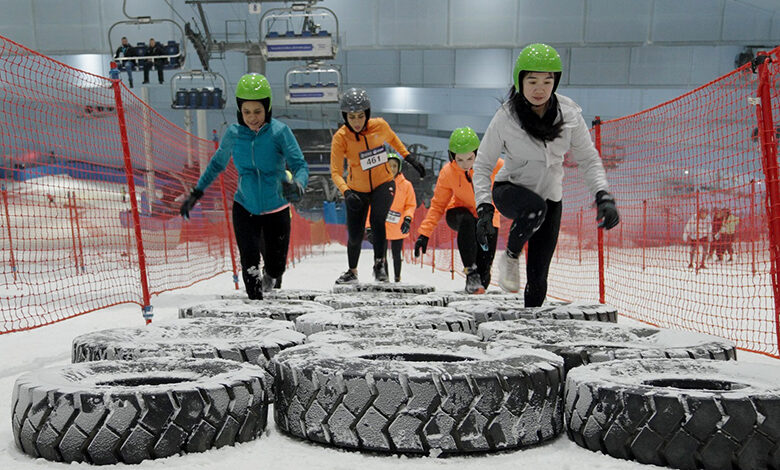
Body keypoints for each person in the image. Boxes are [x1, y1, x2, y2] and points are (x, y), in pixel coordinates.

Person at [473, 43, 620, 304]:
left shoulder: (570, 115)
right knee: (534, 208)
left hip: (551, 198)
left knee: (539, 278)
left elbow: (588, 158)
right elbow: (483, 164)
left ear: (556, 82)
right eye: (532, 81)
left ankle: (531, 328)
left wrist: (603, 195)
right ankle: (510, 255)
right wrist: (484, 208)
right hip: (510, 189)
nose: (539, 89)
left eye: (547, 81)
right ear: (520, 81)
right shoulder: (506, 117)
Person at [179, 73, 308, 300]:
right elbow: (217, 164)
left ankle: (271, 275)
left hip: (276, 208)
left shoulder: (280, 132)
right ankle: (257, 311)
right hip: (244, 207)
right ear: (240, 110)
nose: (252, 118)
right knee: (249, 263)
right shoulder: (234, 134)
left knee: (276, 268)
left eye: (257, 111)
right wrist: (196, 192)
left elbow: (299, 165)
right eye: (246, 112)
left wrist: (298, 185)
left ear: (267, 108)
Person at [330, 87, 426, 284]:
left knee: (377, 221)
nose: (356, 122)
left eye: (360, 116)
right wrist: (346, 192)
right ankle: (352, 271)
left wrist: (410, 159)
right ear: (345, 116)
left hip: (384, 183)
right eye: (351, 117)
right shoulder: (341, 137)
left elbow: (394, 141)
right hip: (356, 190)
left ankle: (379, 264)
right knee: (356, 235)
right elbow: (335, 172)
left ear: (367, 114)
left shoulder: (380, 126)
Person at [414, 127, 503, 294]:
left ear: (478, 153)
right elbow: (438, 205)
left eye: (470, 158)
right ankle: (470, 270)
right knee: (467, 220)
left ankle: (476, 291)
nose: (465, 164)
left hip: (487, 217)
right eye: (459, 160)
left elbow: (517, 178)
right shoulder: (448, 172)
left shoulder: (495, 165)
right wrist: (424, 233)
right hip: (459, 213)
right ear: (451, 156)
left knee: (484, 275)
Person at [366, 153, 416, 282]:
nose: (392, 169)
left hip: (398, 226)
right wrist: (369, 227)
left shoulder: (406, 185)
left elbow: (410, 204)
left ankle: (397, 278)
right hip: (381, 226)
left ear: (399, 168)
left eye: (394, 166)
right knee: (381, 255)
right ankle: (384, 279)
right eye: (388, 166)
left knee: (396, 254)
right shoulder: (377, 185)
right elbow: (370, 207)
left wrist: (407, 219)